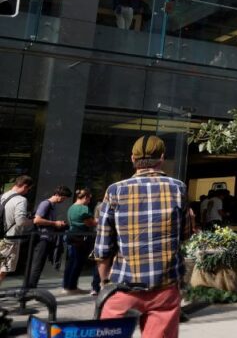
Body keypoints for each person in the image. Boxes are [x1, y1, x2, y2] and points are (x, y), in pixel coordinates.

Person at [95, 136, 189, 337]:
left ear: (132, 158)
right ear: (162, 158)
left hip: (123, 286)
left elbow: (103, 246)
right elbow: (185, 233)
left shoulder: (115, 190)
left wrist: (104, 283)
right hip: (165, 286)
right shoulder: (178, 188)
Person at [26, 185, 71, 289]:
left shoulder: (52, 205)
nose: (63, 200)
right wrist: (55, 223)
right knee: (37, 264)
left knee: (39, 264)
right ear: (57, 194)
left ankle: (31, 287)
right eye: (63, 198)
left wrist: (58, 225)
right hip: (41, 238)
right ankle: (30, 289)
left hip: (47, 238)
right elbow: (37, 220)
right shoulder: (46, 204)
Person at [0, 175, 34, 286]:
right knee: (4, 269)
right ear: (25, 186)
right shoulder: (21, 200)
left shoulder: (4, 196)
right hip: (10, 240)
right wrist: (33, 221)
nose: (27, 192)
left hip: (1, 237)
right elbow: (20, 221)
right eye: (28, 189)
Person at [62, 189, 96, 295]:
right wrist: (99, 220)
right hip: (81, 238)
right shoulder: (83, 208)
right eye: (89, 199)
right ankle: (72, 287)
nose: (89, 201)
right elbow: (90, 223)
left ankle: (66, 286)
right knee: (78, 262)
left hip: (71, 236)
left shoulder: (72, 207)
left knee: (71, 262)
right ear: (85, 197)